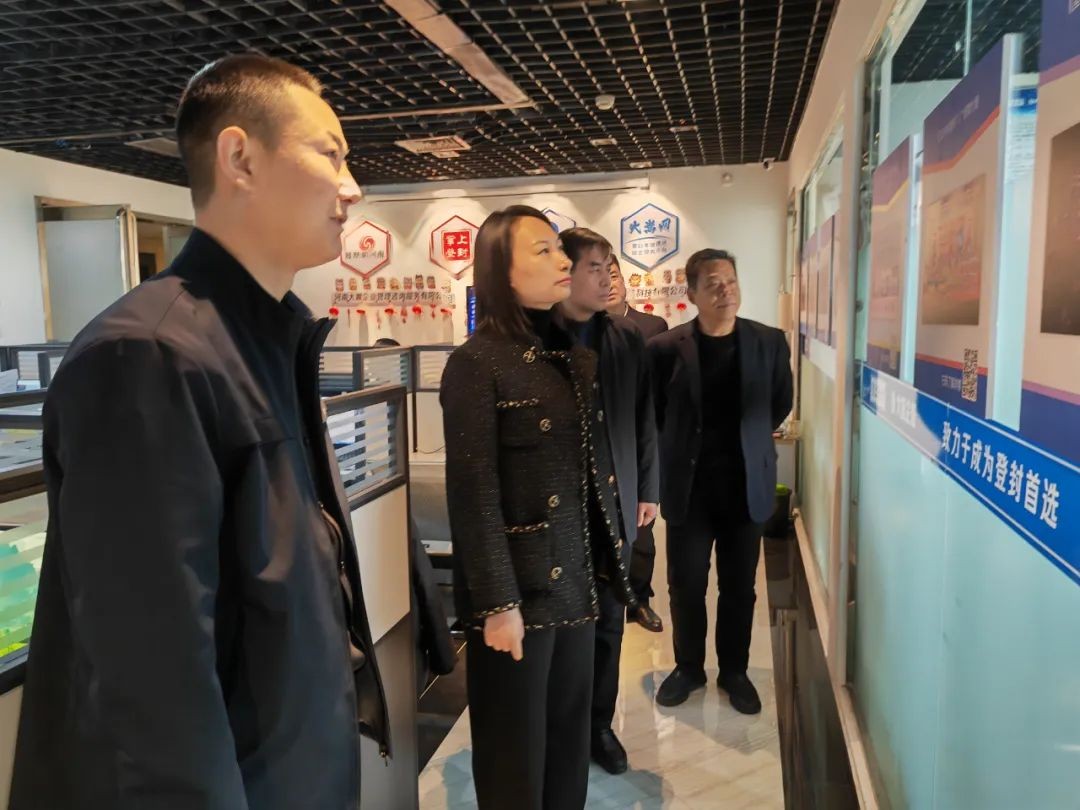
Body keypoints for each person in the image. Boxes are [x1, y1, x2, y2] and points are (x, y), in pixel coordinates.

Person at [10, 54, 389, 809]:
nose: (352, 188)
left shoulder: (265, 340)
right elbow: (153, 676)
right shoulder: (147, 355)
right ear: (240, 158)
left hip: (293, 767)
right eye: (331, 154)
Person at [440, 207, 636, 810]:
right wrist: (498, 604)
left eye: (560, 249)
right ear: (502, 270)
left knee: (567, 745)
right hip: (518, 598)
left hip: (575, 586)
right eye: (544, 251)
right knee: (515, 754)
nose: (562, 261)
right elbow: (473, 494)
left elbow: (587, 479)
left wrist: (610, 567)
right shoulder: (476, 363)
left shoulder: (568, 357)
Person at [649, 249, 793, 714]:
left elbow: (779, 403)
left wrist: (749, 443)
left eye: (730, 281)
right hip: (689, 491)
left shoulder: (769, 341)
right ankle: (688, 667)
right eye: (712, 283)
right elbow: (654, 413)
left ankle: (734, 670)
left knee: (739, 587)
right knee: (686, 585)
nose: (725, 290)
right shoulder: (664, 349)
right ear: (692, 293)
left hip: (745, 490)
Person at [555, 228, 658, 775]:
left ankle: (599, 725)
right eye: (593, 267)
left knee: (610, 622)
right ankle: (562, 727)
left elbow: (644, 417)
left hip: (615, 503)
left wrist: (647, 489)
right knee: (563, 627)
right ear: (565, 272)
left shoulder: (625, 338)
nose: (606, 277)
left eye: (608, 266)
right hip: (560, 510)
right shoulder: (540, 338)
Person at [606, 255, 668, 632]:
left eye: (614, 275)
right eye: (600, 275)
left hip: (640, 436)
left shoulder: (650, 326)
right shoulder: (582, 330)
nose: (609, 283)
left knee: (641, 528)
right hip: (604, 439)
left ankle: (639, 599)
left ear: (624, 280)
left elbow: (658, 388)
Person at [607, 255, 669, 339]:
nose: (610, 286)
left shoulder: (654, 326)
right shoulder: (589, 331)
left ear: (622, 280)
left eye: (613, 277)